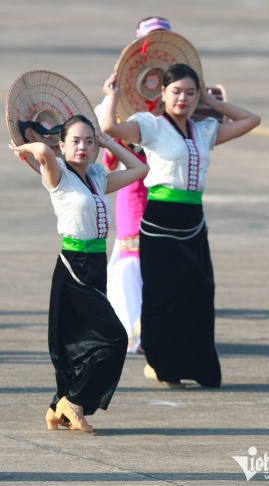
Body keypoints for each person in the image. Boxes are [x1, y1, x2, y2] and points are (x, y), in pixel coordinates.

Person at [100, 64, 260, 388]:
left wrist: (212, 103)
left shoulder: (205, 130)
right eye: (176, 92)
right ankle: (163, 365)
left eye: (190, 92)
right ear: (162, 94)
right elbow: (109, 128)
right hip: (159, 220)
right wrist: (112, 96)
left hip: (194, 221)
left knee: (200, 293)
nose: (182, 99)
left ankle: (199, 366)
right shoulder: (151, 126)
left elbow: (250, 120)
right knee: (162, 297)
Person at [9, 115, 149, 432]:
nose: (83, 147)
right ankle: (72, 400)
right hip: (74, 265)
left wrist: (109, 141)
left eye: (89, 141)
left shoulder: (97, 177)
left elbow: (141, 170)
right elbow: (43, 155)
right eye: (75, 141)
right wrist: (28, 146)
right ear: (62, 145)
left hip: (97, 266)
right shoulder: (58, 176)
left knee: (82, 342)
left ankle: (59, 406)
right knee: (114, 338)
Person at [96, 16, 172, 353]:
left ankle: (155, 323)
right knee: (131, 254)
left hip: (171, 188)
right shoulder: (118, 99)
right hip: (136, 188)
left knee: (163, 256)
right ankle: (133, 329)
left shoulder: (181, 96)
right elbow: (102, 141)